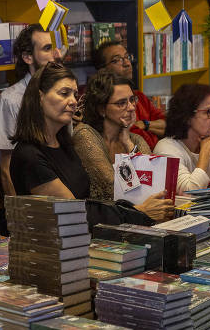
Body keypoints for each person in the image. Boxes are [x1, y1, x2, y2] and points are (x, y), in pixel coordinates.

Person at [73, 70, 173, 221]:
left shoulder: (136, 139)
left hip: (137, 218)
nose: (132, 107)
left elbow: (150, 187)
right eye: (121, 103)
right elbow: (113, 188)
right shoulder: (85, 135)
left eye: (132, 100)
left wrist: (127, 143)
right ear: (101, 109)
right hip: (103, 223)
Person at [0, 24, 62, 195]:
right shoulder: (11, 100)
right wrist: (19, 217)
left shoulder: (60, 95)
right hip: (31, 199)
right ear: (28, 57)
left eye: (55, 48)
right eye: (47, 49)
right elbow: (6, 169)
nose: (56, 55)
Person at [10, 62, 89, 199]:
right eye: (64, 93)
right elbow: (72, 210)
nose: (73, 101)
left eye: (75, 95)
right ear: (40, 97)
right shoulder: (29, 156)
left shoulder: (64, 143)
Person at [154, 84, 210, 194]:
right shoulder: (166, 148)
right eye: (209, 111)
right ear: (187, 116)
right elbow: (188, 193)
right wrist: (205, 153)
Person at [93, 40, 166, 150]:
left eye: (127, 57)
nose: (127, 63)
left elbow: (168, 126)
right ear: (103, 69)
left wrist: (145, 124)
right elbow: (141, 141)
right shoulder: (103, 103)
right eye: (117, 60)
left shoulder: (139, 96)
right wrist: (153, 128)